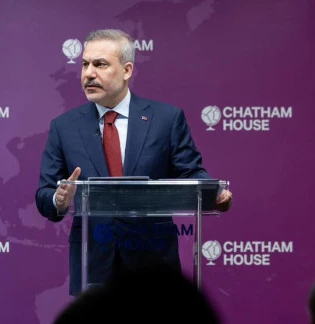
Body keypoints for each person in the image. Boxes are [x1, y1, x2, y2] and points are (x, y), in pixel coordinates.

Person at [36, 29, 233, 295]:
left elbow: (192, 172)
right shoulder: (64, 127)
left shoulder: (166, 120)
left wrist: (214, 192)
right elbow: (45, 193)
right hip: (94, 265)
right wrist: (58, 199)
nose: (88, 73)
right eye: (85, 64)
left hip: (154, 263)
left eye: (100, 64)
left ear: (127, 70)